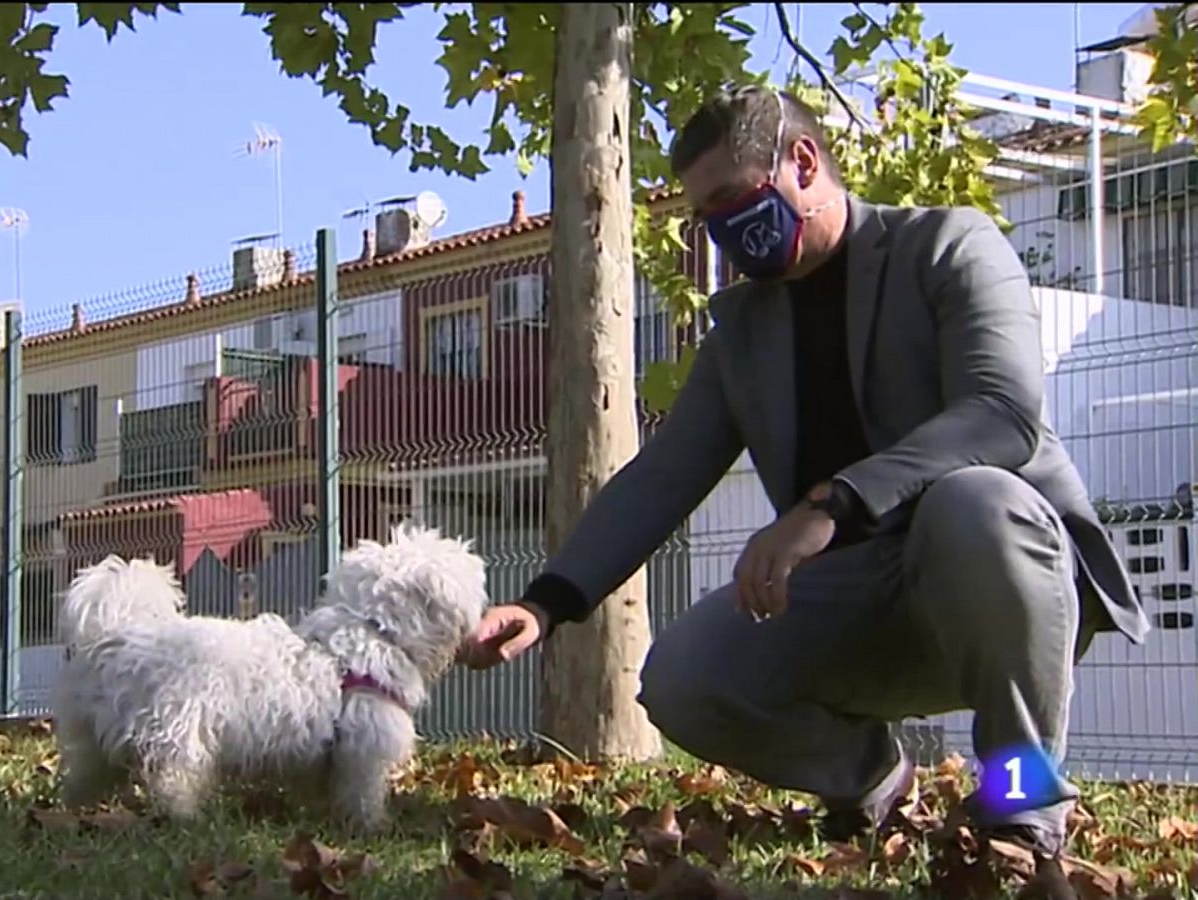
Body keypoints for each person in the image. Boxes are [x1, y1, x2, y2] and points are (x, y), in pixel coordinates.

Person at [460, 86, 1150, 861]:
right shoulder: (740, 333)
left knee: (976, 501)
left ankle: (1019, 806)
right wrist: (547, 602)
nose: (720, 230)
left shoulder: (950, 246)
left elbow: (1002, 415)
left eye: (731, 199)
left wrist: (833, 502)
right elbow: (663, 476)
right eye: (704, 215)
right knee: (684, 676)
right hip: (861, 602)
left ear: (802, 160)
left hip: (999, 582)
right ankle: (875, 782)